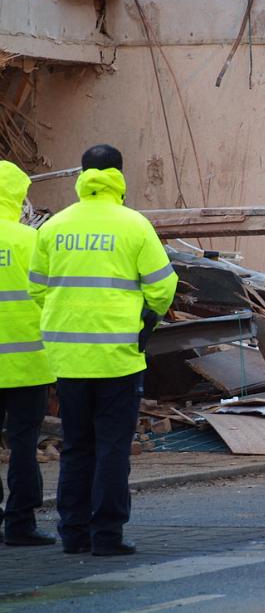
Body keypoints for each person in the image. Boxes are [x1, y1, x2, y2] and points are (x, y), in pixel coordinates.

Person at [28, 145, 177, 555]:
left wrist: (64, 323)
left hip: (68, 358)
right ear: (120, 175)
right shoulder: (134, 225)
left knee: (77, 446)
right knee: (112, 447)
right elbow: (163, 286)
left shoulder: (54, 226)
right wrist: (148, 321)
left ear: (82, 175)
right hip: (118, 357)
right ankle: (107, 537)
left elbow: (36, 287)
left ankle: (72, 535)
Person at [0, 161, 56, 547]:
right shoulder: (30, 240)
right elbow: (52, 295)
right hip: (29, 364)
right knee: (23, 443)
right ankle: (20, 525)